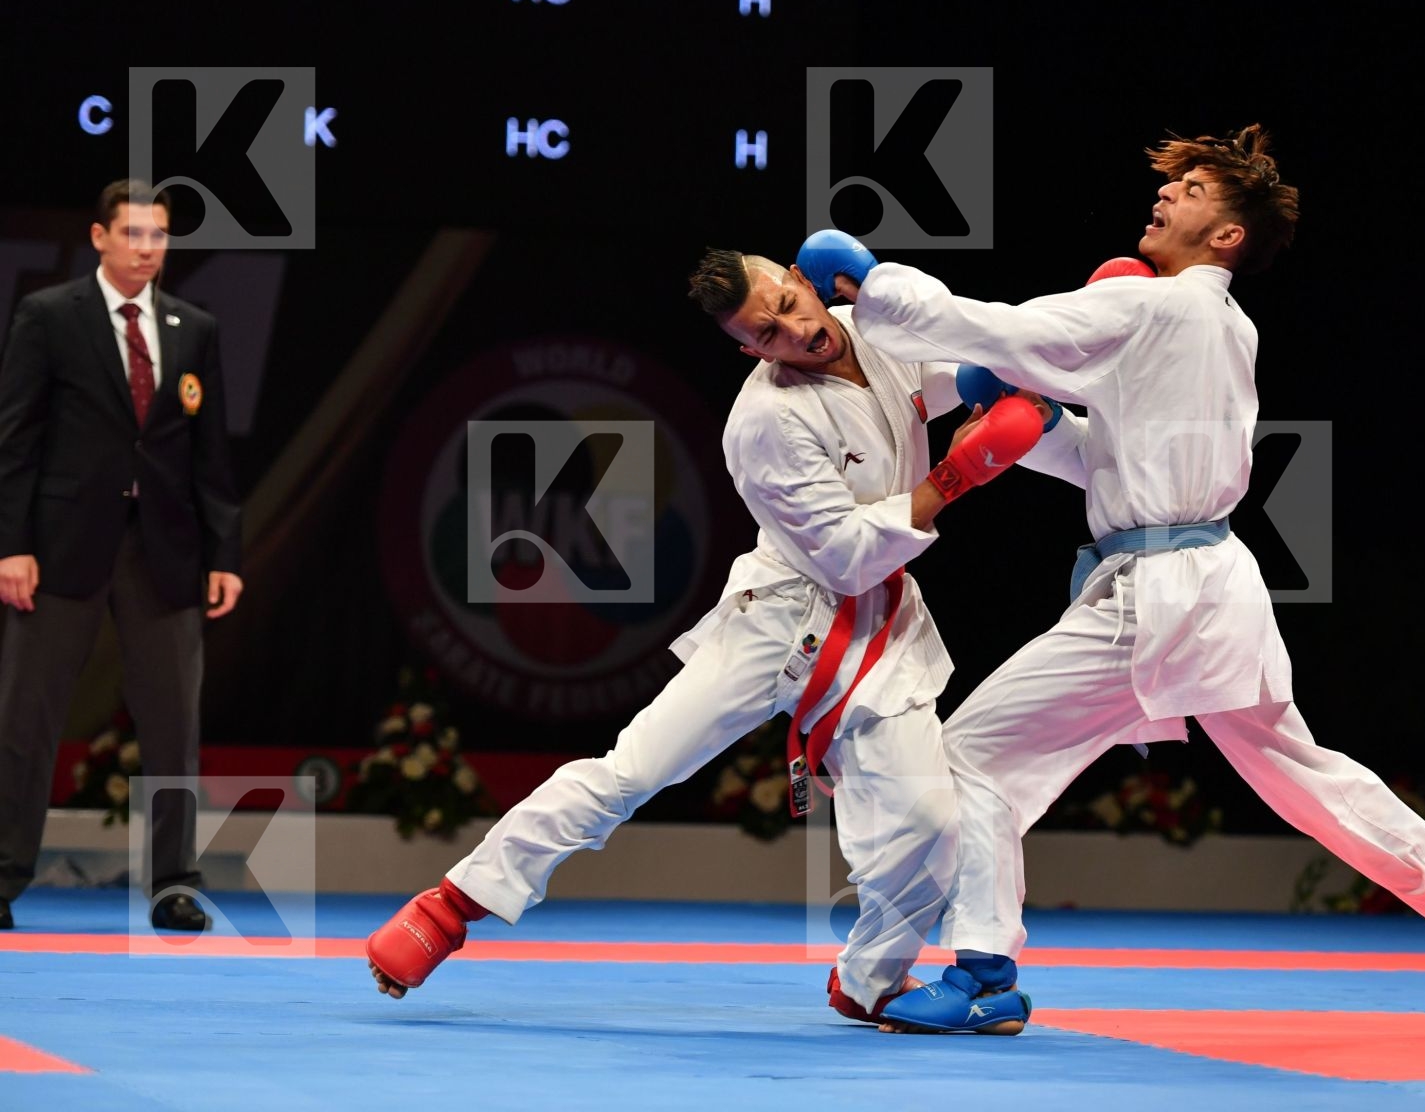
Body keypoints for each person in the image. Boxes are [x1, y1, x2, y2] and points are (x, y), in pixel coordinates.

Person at [830, 125, 1425, 1035]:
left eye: (1192, 187)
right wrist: (1027, 423)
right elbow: (1119, 460)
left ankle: (985, 976)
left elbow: (999, 327)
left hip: (1159, 593)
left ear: (1228, 236)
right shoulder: (1227, 326)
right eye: (1172, 179)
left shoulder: (1163, 309)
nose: (1168, 192)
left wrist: (875, 286)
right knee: (1305, 777)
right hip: (1212, 582)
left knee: (972, 759)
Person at [365, 249, 1045, 1025]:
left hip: (883, 626)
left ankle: (868, 983)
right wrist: (954, 478)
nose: (796, 329)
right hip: (781, 616)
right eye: (769, 332)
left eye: (791, 302)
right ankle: (450, 907)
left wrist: (1044, 353)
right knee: (633, 771)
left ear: (801, 276)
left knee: (930, 821)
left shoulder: (880, 329)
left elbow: (967, 363)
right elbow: (850, 556)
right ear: (749, 350)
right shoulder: (764, 424)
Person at [0, 179, 244, 933]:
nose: (148, 248)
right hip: (64, 544)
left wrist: (223, 552)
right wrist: (13, 546)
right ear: (101, 236)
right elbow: (17, 440)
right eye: (134, 233)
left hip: (163, 548)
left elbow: (210, 454)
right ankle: (4, 875)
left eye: (159, 235)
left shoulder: (191, 325)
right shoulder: (49, 316)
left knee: (174, 722)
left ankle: (175, 881)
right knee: (26, 719)